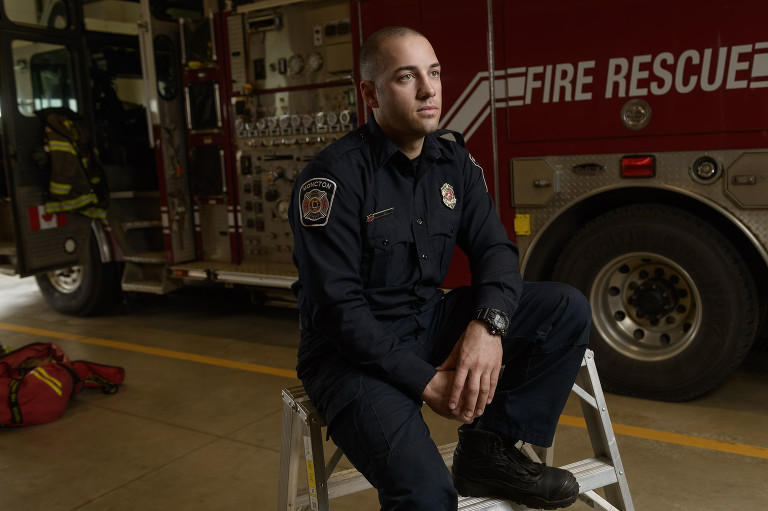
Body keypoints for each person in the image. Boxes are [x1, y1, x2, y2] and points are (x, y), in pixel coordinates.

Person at [288, 26, 590, 510]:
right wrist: (427, 383)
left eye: (434, 73)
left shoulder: (454, 162)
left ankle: (487, 452)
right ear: (370, 92)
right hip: (351, 358)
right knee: (426, 495)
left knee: (564, 307)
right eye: (407, 77)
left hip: (428, 322)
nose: (429, 90)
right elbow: (337, 311)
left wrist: (486, 328)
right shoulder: (333, 179)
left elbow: (496, 253)